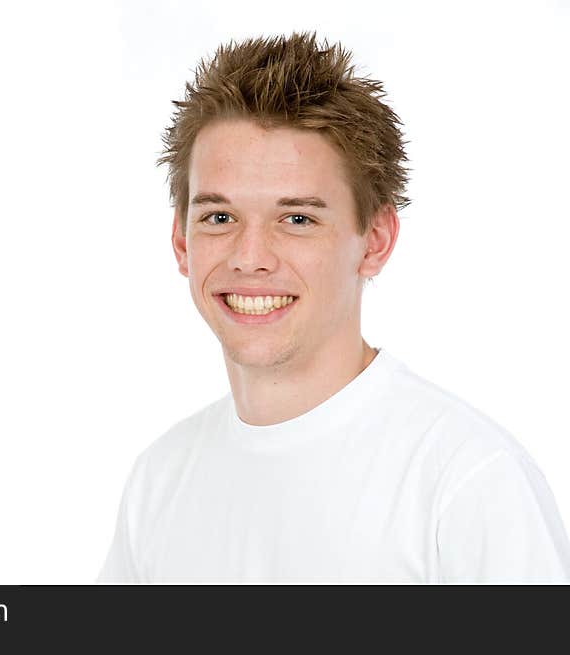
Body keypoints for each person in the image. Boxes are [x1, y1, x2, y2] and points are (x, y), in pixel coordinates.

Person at [96, 32, 570, 583]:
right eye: (219, 218)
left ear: (374, 242)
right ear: (182, 242)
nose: (251, 259)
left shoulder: (467, 483)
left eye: (297, 218)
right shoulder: (159, 482)